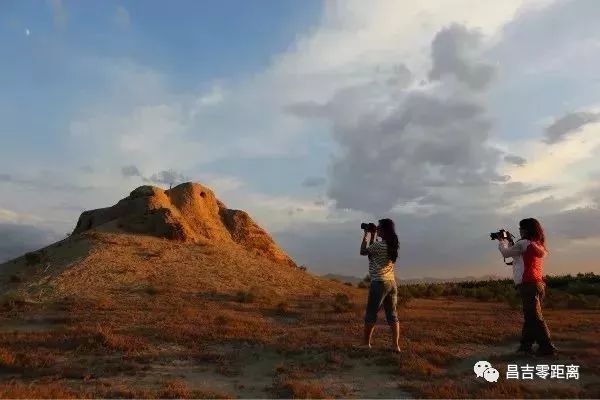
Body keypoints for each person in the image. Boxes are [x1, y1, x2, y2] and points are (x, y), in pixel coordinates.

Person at [497, 218, 558, 356]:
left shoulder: (523, 243)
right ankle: (525, 346)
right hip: (538, 284)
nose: (519, 230)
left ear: (526, 230)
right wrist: (512, 243)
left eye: (521, 228)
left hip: (528, 284)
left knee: (535, 317)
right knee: (530, 317)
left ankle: (547, 348)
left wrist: (502, 240)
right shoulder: (538, 244)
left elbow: (506, 253)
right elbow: (520, 256)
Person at [359, 218, 401, 352]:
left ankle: (366, 344)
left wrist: (366, 234)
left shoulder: (379, 245)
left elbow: (363, 251)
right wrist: (373, 236)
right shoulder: (392, 246)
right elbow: (372, 255)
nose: (377, 229)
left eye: (379, 228)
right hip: (391, 283)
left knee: (371, 314)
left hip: (379, 283)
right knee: (392, 315)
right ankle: (395, 346)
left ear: (384, 230)